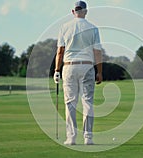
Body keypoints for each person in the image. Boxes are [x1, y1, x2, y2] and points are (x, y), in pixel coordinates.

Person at [53, 1, 102, 145]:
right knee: (87, 102)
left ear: (73, 11)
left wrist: (56, 70)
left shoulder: (64, 27)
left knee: (70, 103)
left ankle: (71, 137)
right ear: (86, 11)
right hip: (87, 66)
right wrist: (99, 71)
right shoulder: (93, 28)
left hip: (69, 67)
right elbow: (97, 52)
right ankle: (88, 138)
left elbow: (60, 51)